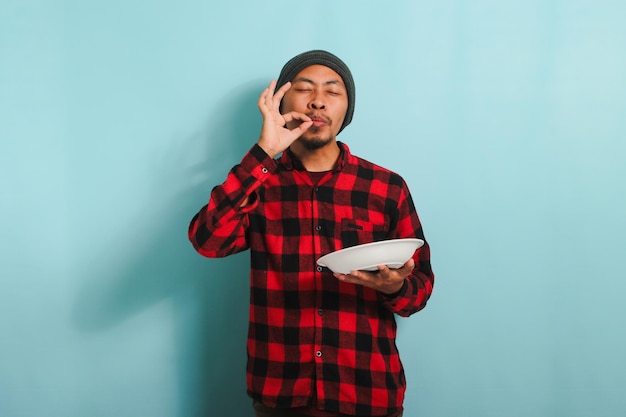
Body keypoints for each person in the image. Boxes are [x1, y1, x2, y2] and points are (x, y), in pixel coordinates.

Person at [188, 50, 434, 417]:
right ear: (282, 103)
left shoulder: (386, 187)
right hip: (280, 395)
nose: (318, 100)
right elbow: (207, 241)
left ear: (347, 109)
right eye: (304, 88)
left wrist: (394, 287)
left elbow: (420, 290)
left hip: (366, 391)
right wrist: (265, 152)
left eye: (333, 91)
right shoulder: (258, 185)